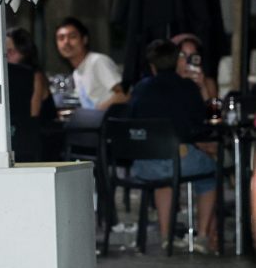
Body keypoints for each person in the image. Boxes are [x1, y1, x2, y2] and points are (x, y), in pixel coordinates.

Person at [128, 39, 217, 254]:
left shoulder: (140, 88)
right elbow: (198, 126)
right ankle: (203, 236)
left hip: (143, 164)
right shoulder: (186, 87)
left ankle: (167, 237)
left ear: (152, 66)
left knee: (163, 182)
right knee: (210, 174)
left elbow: (130, 121)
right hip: (179, 160)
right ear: (177, 63)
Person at [55, 16, 128, 110]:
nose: (66, 42)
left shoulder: (97, 61)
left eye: (72, 37)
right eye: (61, 38)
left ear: (84, 39)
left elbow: (125, 94)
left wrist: (96, 112)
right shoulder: (77, 73)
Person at [6, 27, 56, 121]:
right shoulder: (8, 75)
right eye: (5, 52)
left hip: (43, 131)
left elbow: (33, 116)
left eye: (11, 51)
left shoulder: (36, 76)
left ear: (24, 52)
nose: (6, 56)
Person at [172, 32, 219, 101]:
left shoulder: (208, 83)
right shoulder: (167, 83)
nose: (188, 60)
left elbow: (212, 110)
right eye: (182, 55)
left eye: (192, 56)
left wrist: (203, 87)